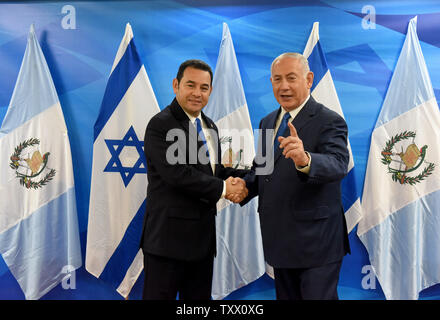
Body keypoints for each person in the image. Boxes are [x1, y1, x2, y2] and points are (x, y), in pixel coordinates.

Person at [241, 52, 350, 300]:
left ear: (309, 79)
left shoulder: (330, 120)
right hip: (280, 240)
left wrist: (306, 160)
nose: (284, 86)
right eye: (277, 79)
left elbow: (338, 164)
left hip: (317, 244)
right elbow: (263, 170)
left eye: (291, 78)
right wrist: (241, 187)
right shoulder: (268, 121)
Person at [140, 59, 248, 300]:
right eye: (191, 85)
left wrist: (252, 180)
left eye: (204, 87)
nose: (197, 93)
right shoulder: (161, 124)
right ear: (176, 85)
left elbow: (213, 172)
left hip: (202, 245)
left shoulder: (209, 126)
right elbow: (177, 174)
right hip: (167, 245)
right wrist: (224, 188)